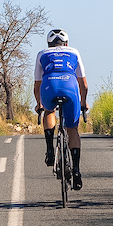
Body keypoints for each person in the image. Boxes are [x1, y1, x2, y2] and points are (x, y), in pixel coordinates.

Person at [33, 28, 89, 190]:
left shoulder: (42, 54)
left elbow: (37, 85)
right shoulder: (74, 52)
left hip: (49, 87)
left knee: (49, 111)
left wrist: (39, 104)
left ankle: (50, 150)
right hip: (69, 87)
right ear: (66, 43)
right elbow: (83, 84)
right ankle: (77, 171)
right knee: (72, 130)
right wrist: (84, 102)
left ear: (49, 44)